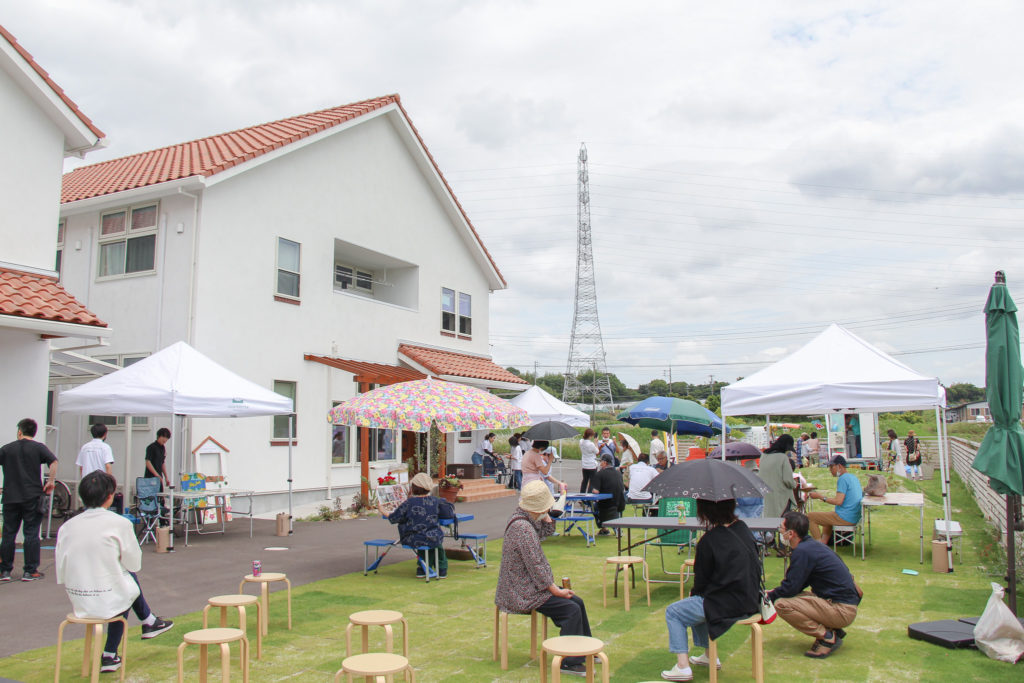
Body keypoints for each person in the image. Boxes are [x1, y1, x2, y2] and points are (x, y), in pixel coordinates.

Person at [55, 471, 174, 673]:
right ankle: (132, 634)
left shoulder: (66, 527)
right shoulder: (119, 523)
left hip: (79, 600)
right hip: (109, 600)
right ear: (110, 496)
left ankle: (139, 630)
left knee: (121, 584)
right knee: (125, 582)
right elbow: (134, 563)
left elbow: (61, 571)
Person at [495, 480, 593, 677]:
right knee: (571, 609)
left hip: (526, 585)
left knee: (577, 602)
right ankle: (569, 661)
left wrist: (550, 517)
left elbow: (544, 534)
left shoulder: (524, 518)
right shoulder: (523, 528)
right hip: (521, 591)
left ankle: (584, 648)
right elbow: (536, 564)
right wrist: (555, 589)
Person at [660, 498, 761, 681]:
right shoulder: (743, 528)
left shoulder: (709, 540)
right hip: (751, 600)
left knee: (675, 612)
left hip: (728, 604)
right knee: (698, 601)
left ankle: (682, 666)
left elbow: (701, 582)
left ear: (704, 511)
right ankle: (709, 655)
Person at [768, 511, 862, 659]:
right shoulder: (811, 546)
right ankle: (832, 629)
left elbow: (791, 588)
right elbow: (797, 585)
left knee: (782, 604)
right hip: (844, 605)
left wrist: (769, 597)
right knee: (794, 597)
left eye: (781, 529)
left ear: (791, 533)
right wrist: (773, 592)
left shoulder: (803, 551)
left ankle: (827, 636)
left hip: (841, 609)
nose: (780, 531)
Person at [0, 418, 57, 582]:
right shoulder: (39, 448)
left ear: (20, 431)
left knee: (9, 533)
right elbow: (53, 461)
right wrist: (51, 481)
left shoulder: (7, 449)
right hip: (32, 496)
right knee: (31, 532)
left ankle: (5, 571)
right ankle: (30, 571)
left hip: (10, 496)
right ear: (34, 431)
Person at [378, 472, 454, 578]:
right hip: (434, 536)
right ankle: (441, 569)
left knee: (422, 539)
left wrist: (382, 510)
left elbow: (393, 518)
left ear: (413, 487)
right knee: (435, 543)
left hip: (414, 537)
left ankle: (422, 568)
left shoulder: (409, 502)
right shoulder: (436, 501)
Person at [806, 456, 863, 544]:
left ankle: (818, 545)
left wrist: (820, 496)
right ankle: (823, 542)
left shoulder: (843, 479)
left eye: (831, 467)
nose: (830, 470)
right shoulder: (853, 477)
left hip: (846, 517)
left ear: (839, 466)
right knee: (827, 517)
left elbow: (838, 501)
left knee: (810, 516)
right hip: (854, 516)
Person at [758, 440, 796, 518]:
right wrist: (794, 484)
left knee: (768, 518)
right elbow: (788, 480)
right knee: (783, 522)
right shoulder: (783, 457)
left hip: (765, 493)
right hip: (781, 495)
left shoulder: (763, 456)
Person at [590, 453, 625, 535]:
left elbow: (596, 491)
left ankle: (603, 527)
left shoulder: (600, 474)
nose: (600, 464)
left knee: (593, 506)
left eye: (601, 462)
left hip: (606, 504)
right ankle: (614, 527)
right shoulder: (618, 473)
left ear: (605, 463)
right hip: (620, 503)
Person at [579, 428, 599, 493]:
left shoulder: (581, 441)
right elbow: (597, 452)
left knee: (585, 480)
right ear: (590, 436)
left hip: (584, 464)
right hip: (592, 465)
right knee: (592, 482)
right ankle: (589, 497)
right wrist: (596, 442)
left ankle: (582, 495)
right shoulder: (591, 444)